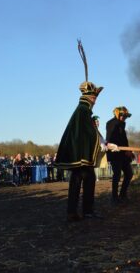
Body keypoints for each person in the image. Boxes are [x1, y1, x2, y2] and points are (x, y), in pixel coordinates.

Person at [54, 81, 106, 222]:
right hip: (81, 156)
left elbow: (88, 131)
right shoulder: (83, 110)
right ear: (88, 97)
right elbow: (87, 133)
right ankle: (87, 212)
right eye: (94, 98)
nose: (95, 101)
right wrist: (100, 142)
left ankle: (72, 212)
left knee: (76, 182)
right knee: (88, 181)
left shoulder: (83, 110)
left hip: (79, 155)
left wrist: (101, 138)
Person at [106, 106, 135, 205]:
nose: (124, 117)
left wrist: (129, 151)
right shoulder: (111, 123)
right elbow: (111, 139)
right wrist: (123, 150)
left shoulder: (122, 125)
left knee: (129, 174)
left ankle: (123, 195)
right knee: (117, 175)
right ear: (117, 114)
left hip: (123, 155)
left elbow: (124, 141)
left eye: (125, 116)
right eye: (122, 115)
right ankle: (114, 197)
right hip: (115, 154)